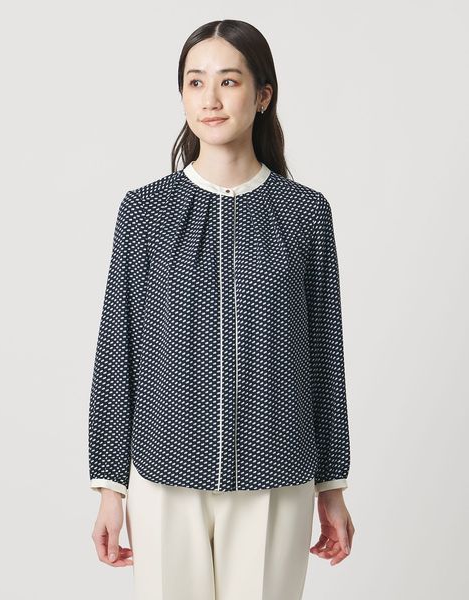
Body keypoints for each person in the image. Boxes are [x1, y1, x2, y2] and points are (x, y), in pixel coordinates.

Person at [88, 19, 355, 600]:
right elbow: (117, 351)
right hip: (163, 475)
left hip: (277, 474)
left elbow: (324, 355)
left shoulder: (305, 213)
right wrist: (110, 487)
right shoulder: (145, 212)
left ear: (263, 95)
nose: (209, 99)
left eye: (229, 81)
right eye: (195, 82)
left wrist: (332, 485)